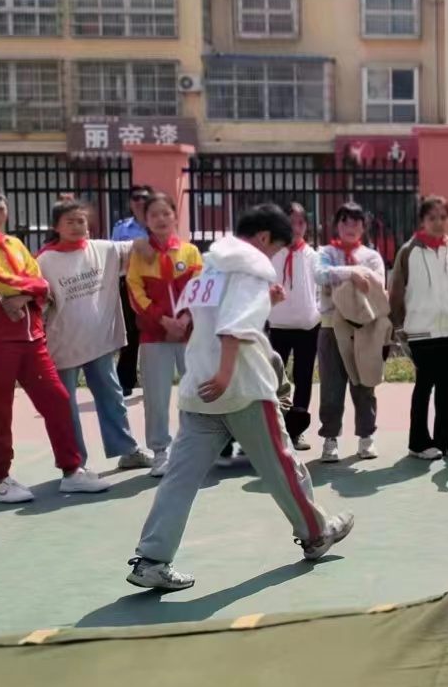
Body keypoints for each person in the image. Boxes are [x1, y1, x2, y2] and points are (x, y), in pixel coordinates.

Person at [127, 204, 355, 592]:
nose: (274, 258)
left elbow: (207, 316)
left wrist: (266, 303)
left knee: (180, 478)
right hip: (242, 386)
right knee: (282, 464)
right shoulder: (253, 265)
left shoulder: (212, 262)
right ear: (265, 238)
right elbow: (234, 324)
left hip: (199, 386)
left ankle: (151, 559)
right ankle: (316, 534)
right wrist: (227, 372)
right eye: (276, 249)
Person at [0, 184, 108, 503]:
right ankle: (0, 480)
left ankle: (71, 471)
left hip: (32, 337)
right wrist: (33, 288)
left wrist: (27, 294)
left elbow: (40, 280)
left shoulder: (14, 244)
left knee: (57, 399)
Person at [38, 199, 153, 474]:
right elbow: (37, 300)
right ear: (56, 227)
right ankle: (74, 462)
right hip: (62, 344)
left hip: (99, 342)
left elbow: (139, 249)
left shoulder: (103, 250)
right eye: (70, 222)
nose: (78, 226)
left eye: (82, 221)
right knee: (66, 406)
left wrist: (159, 227)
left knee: (112, 395)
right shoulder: (45, 261)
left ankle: (127, 451)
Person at [126, 193, 202, 477]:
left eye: (165, 213)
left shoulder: (190, 252)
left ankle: (193, 447)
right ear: (145, 220)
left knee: (193, 392)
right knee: (155, 396)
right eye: (153, 214)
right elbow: (135, 291)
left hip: (189, 333)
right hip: (154, 335)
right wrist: (162, 320)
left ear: (175, 216)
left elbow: (200, 287)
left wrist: (185, 317)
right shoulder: (139, 254)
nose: (160, 219)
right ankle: (160, 450)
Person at [390, 194, 448, 461]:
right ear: (422, 220)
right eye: (431, 218)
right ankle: (418, 442)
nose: (438, 222)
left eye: (442, 217)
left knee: (445, 386)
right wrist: (399, 327)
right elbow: (397, 292)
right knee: (424, 384)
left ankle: (445, 438)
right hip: (421, 330)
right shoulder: (408, 251)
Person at [314, 201, 387, 463]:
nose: (350, 226)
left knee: (364, 383)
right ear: (336, 225)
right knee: (331, 386)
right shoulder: (325, 252)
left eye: (356, 222)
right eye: (345, 221)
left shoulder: (372, 256)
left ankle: (366, 437)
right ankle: (330, 439)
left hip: (363, 329)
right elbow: (320, 275)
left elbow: (378, 283)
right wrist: (352, 274)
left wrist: (351, 274)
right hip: (331, 327)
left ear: (364, 227)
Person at [268, 201, 321, 450]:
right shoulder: (274, 253)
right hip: (278, 324)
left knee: (303, 378)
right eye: (291, 222)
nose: (296, 227)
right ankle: (278, 429)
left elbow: (320, 286)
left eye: (300, 222)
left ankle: (297, 430)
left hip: (307, 326)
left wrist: (316, 311)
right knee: (275, 379)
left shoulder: (312, 255)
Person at [112, 184, 154, 396]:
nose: (140, 202)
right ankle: (126, 381)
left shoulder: (157, 224)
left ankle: (153, 381)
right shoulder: (121, 228)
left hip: (153, 283)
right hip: (127, 283)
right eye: (135, 198)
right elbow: (113, 256)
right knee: (129, 333)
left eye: (144, 198)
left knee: (153, 332)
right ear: (130, 202)